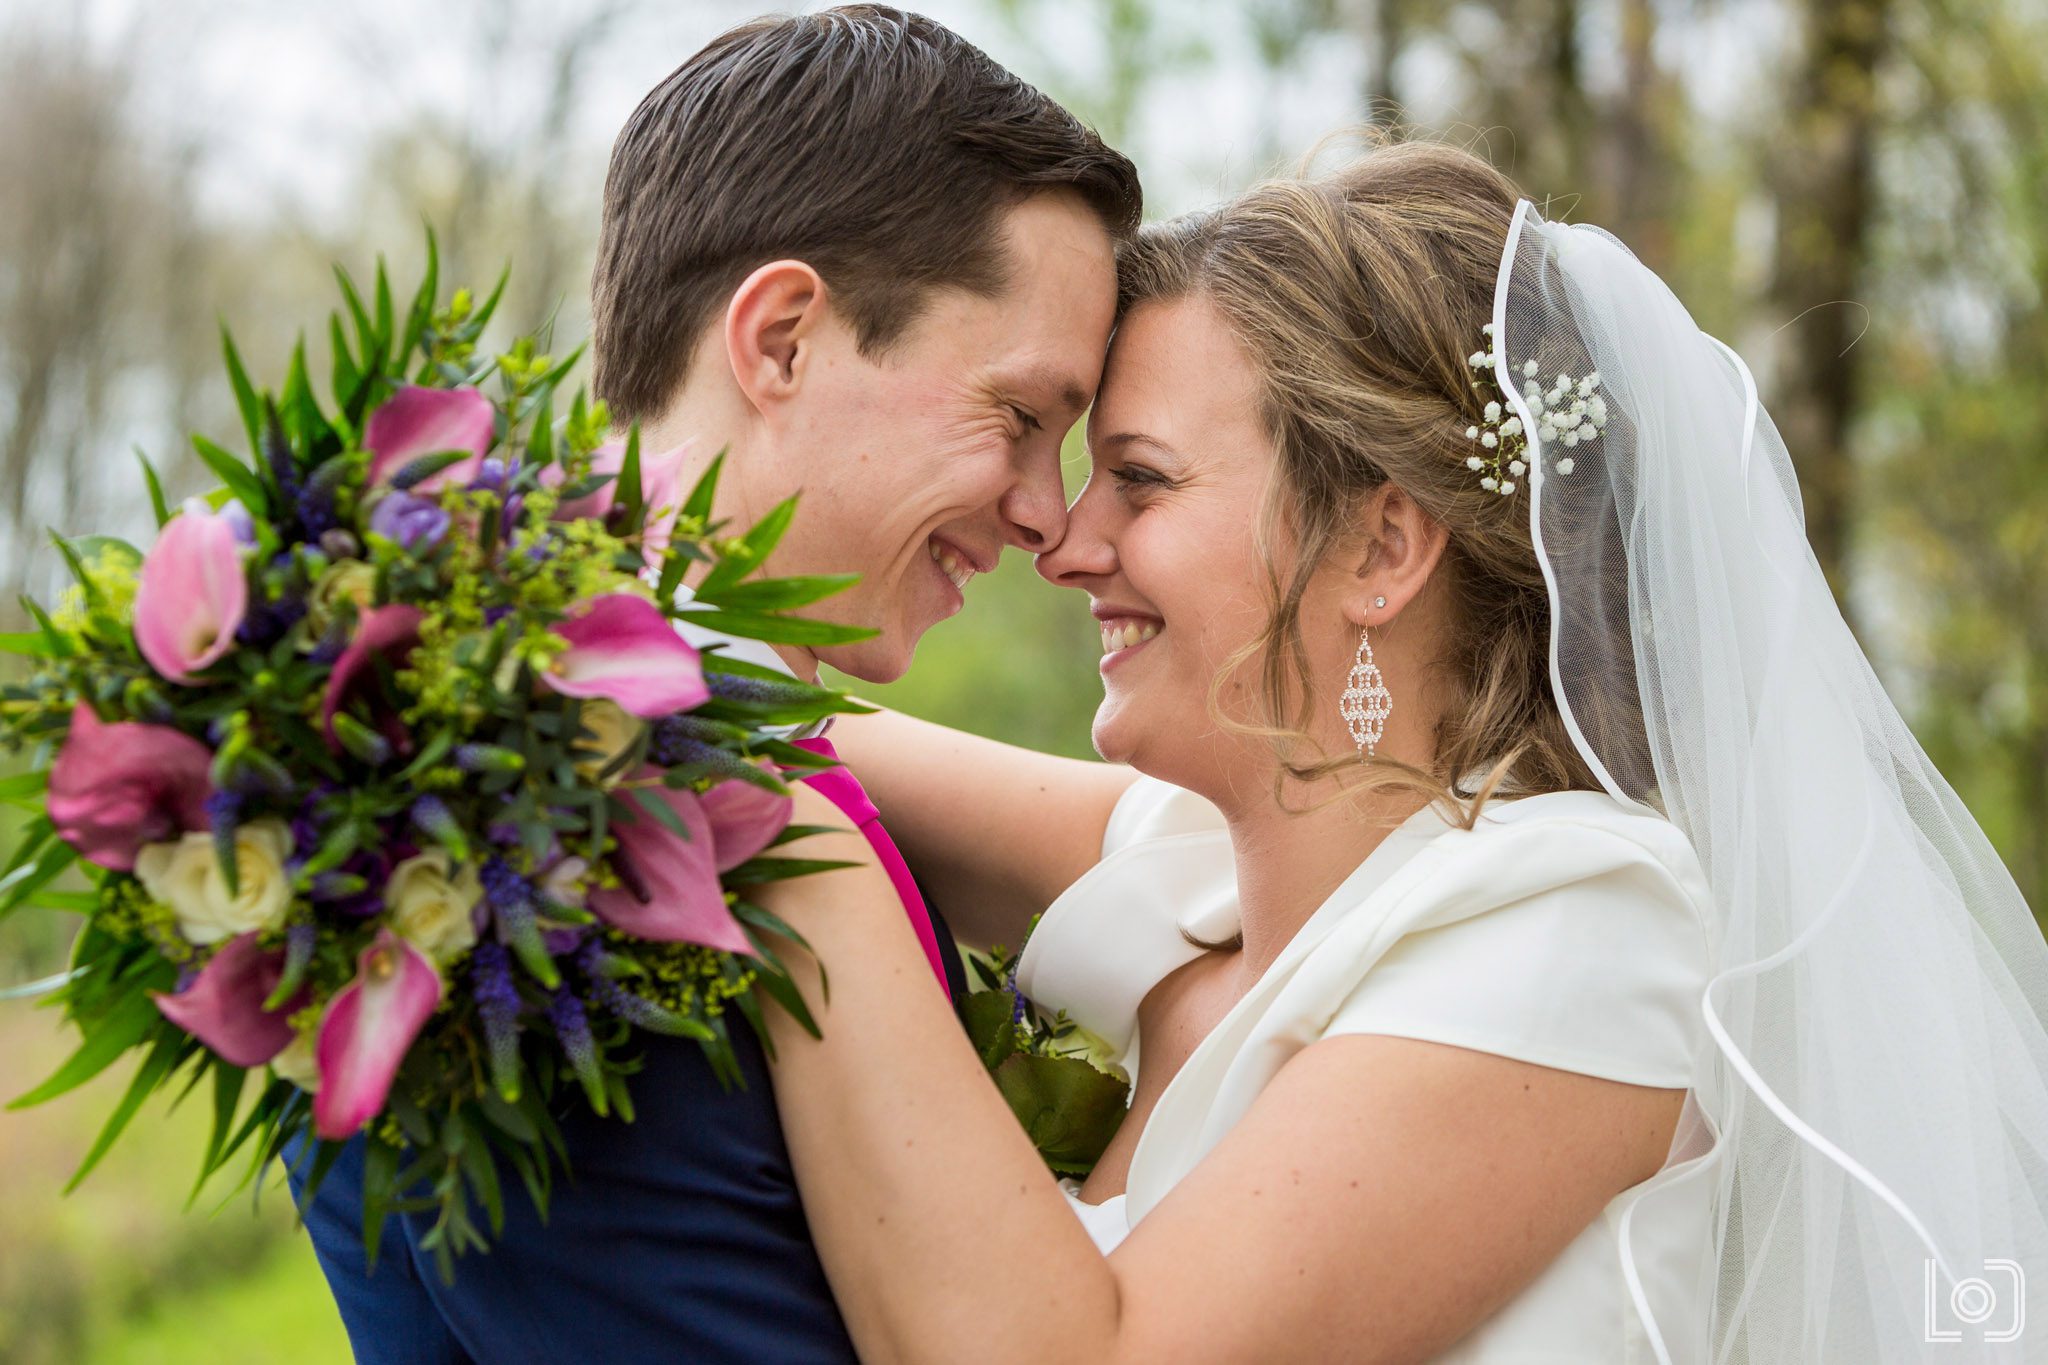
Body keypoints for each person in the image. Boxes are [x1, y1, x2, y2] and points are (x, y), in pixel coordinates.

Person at [753, 137, 2048, 1362]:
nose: (1063, 539)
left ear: (1380, 548)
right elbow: (754, 718)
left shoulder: (1584, 921)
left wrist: (791, 850)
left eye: (1139, 479)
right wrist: (566, 586)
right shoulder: (1191, 862)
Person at [286, 8, 1139, 1362]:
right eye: (1023, 418)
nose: (1048, 513)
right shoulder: (563, 863)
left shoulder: (516, 755)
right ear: (786, 338)